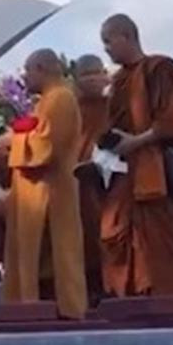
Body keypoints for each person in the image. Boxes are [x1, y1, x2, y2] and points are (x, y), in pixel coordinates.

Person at [0, 49, 87, 319]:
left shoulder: (60, 98)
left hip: (51, 191)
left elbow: (45, 147)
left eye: (28, 71)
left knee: (54, 254)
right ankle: (32, 306)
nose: (25, 77)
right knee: (37, 255)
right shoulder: (47, 100)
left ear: (41, 68)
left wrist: (11, 142)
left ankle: (62, 311)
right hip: (34, 192)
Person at [99, 14, 173, 296]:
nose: (105, 49)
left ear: (127, 37)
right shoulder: (119, 80)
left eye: (109, 41)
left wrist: (137, 142)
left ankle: (164, 297)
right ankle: (126, 295)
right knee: (112, 229)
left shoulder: (159, 68)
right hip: (123, 170)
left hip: (154, 169)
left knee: (157, 239)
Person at [72, 54, 111, 301]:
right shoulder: (70, 108)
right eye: (87, 74)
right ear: (76, 79)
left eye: (98, 72)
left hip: (110, 181)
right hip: (75, 183)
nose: (94, 79)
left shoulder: (115, 106)